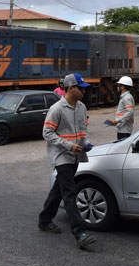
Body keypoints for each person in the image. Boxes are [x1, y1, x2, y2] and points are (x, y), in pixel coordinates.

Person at [39, 73, 97, 249]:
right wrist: (68, 146)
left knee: (59, 189)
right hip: (62, 156)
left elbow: (83, 129)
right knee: (70, 193)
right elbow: (47, 133)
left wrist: (86, 143)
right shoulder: (56, 109)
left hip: (76, 155)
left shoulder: (81, 107)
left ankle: (44, 220)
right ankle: (80, 232)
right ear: (70, 88)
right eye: (81, 88)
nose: (83, 92)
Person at [105, 76, 135, 141]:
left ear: (123, 87)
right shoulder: (125, 97)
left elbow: (130, 112)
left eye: (119, 85)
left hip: (124, 129)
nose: (117, 87)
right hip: (123, 127)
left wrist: (117, 120)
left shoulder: (127, 98)